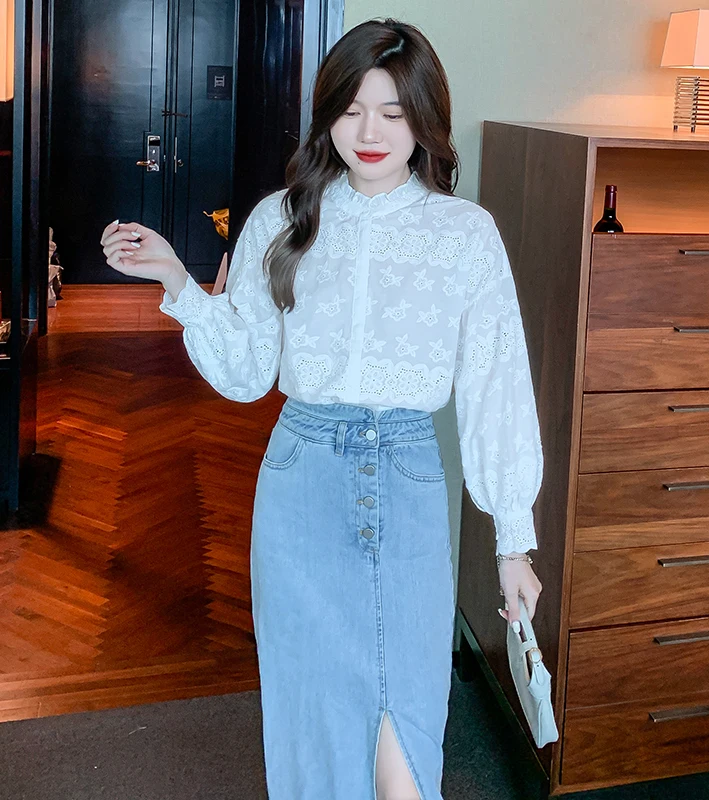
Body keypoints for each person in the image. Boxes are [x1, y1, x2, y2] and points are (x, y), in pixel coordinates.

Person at [100, 18, 544, 800]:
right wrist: (178, 283)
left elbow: (496, 384)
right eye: (350, 110)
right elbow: (247, 371)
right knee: (312, 726)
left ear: (424, 119)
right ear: (327, 114)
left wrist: (515, 543)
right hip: (301, 485)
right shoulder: (281, 218)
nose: (369, 133)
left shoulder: (464, 235)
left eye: (393, 113)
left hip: (407, 482)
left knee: (405, 736)